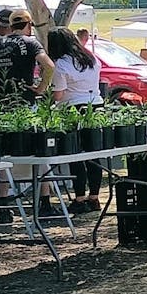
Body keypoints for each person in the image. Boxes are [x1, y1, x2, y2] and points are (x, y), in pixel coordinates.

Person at [47, 27, 104, 213]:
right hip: (95, 105)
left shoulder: (61, 64)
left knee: (75, 153)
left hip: (72, 108)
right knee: (94, 153)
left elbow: (58, 95)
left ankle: (79, 197)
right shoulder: (91, 59)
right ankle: (94, 197)